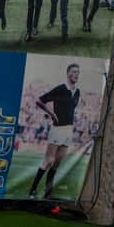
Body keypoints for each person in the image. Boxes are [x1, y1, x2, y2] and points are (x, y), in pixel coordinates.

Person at [28, 63, 81, 199]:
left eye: (78, 72)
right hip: (57, 129)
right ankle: (33, 190)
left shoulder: (77, 92)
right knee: (49, 160)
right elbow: (40, 101)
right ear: (68, 73)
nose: (76, 74)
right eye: (74, 72)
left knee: (57, 163)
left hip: (68, 130)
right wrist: (52, 114)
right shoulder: (61, 89)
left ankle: (48, 191)